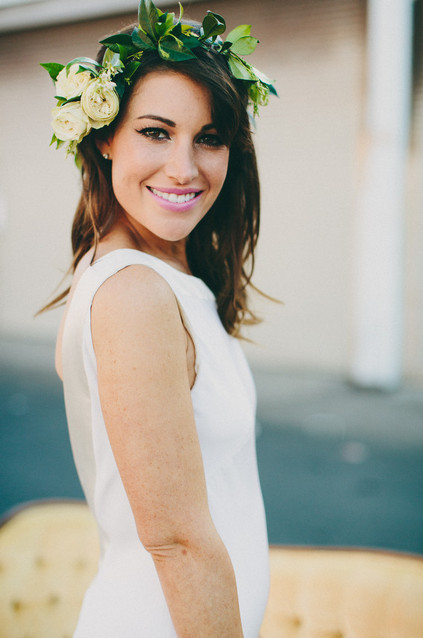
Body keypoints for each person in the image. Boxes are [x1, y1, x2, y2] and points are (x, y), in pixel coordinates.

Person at [41, 1, 276, 635]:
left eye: (210, 137)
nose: (184, 168)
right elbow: (177, 543)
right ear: (104, 135)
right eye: (155, 131)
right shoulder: (133, 295)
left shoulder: (161, 278)